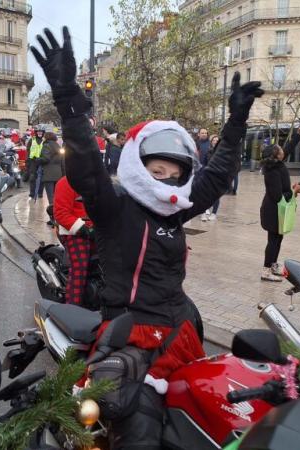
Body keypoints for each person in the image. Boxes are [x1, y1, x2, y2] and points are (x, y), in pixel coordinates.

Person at [31, 26, 263, 449]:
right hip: (133, 336)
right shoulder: (115, 208)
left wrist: (236, 123)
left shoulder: (175, 212)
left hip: (181, 329)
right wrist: (67, 99)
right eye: (157, 170)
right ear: (140, 167)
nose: (166, 179)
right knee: (141, 435)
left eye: (174, 172)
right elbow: (84, 167)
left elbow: (215, 177)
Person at [260, 144, 300, 281]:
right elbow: (277, 196)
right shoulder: (272, 170)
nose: (283, 151)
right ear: (276, 154)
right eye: (281, 150)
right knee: (273, 241)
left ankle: (273, 266)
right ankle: (266, 272)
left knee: (278, 239)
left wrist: (298, 135)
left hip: (278, 210)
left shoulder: (277, 165)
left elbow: (289, 148)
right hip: (273, 211)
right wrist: (293, 191)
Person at [54, 176, 94, 305]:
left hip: (97, 230)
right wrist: (81, 228)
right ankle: (71, 307)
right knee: (79, 267)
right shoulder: (65, 182)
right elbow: (61, 213)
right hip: (74, 231)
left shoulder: (99, 179)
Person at [38, 131, 63, 225]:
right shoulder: (58, 146)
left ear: (47, 137)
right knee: (58, 197)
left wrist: (38, 160)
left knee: (51, 198)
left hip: (49, 174)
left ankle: (53, 219)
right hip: (58, 174)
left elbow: (46, 158)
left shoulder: (47, 145)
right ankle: (59, 218)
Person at [201, 135, 221, 221]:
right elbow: (204, 163)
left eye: (217, 140)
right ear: (211, 141)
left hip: (218, 176)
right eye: (214, 140)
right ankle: (204, 212)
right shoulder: (208, 151)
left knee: (216, 196)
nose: (215, 141)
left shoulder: (222, 152)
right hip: (208, 176)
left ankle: (214, 213)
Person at [26, 127, 45, 199]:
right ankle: (32, 193)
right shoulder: (32, 139)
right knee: (32, 177)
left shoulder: (45, 140)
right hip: (33, 161)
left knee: (41, 178)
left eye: (41, 132)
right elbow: (28, 150)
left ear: (43, 133)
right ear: (36, 132)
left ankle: (40, 193)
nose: (40, 133)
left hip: (41, 161)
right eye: (38, 132)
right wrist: (27, 159)